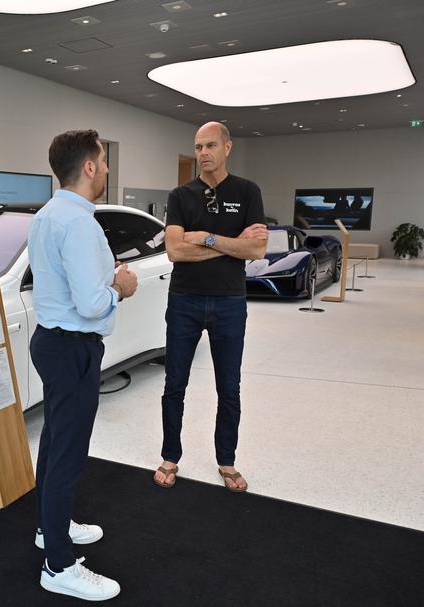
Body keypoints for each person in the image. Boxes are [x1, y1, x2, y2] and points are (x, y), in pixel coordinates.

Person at [28, 129, 137, 601]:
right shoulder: (78, 223)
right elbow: (92, 304)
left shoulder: (48, 215)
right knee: (67, 454)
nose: (107, 169)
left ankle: (48, 527)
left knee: (55, 441)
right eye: (104, 161)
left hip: (52, 343)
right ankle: (58, 565)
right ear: (89, 167)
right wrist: (121, 287)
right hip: (72, 347)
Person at [153, 121, 268, 493]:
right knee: (174, 385)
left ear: (228, 148)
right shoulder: (180, 195)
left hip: (229, 303)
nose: (203, 153)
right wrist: (230, 244)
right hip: (184, 301)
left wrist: (205, 238)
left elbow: (257, 249)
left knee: (229, 387)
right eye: (198, 146)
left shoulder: (248, 192)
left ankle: (227, 460)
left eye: (211, 145)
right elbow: (174, 251)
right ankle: (171, 455)